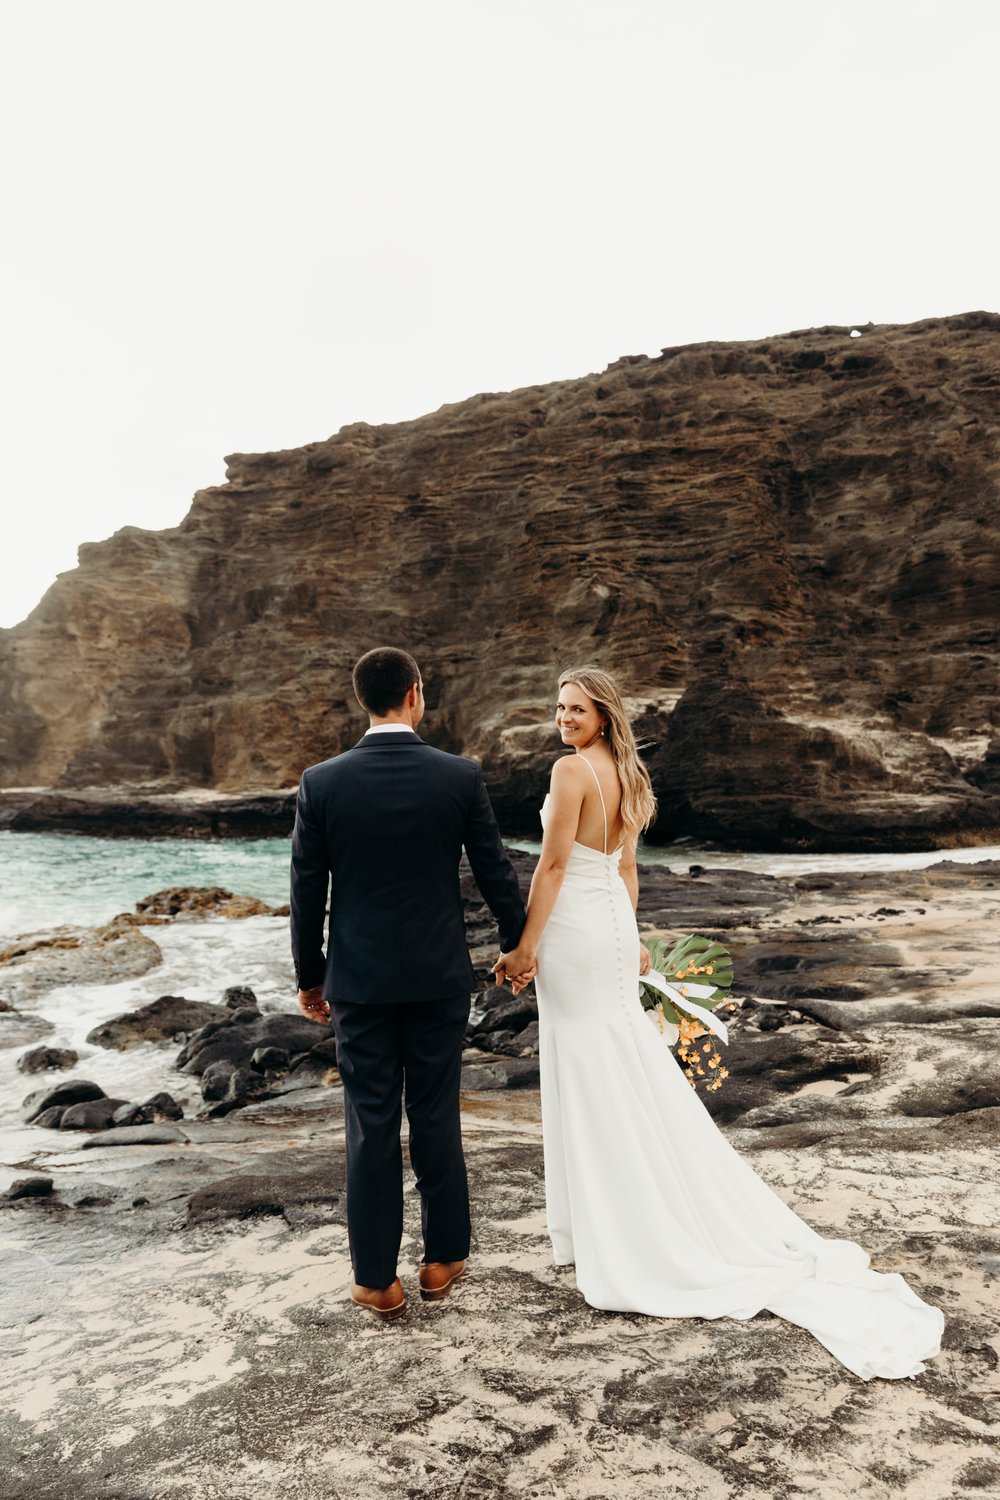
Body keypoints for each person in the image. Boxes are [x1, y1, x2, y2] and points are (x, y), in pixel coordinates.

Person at [491, 665, 944, 1380]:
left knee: (588, 1066)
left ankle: (612, 1231)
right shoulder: (629, 776)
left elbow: (549, 870)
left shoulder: (572, 771)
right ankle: (605, 1220)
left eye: (576, 708)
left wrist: (523, 946)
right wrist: (632, 934)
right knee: (617, 1060)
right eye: (558, 707)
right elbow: (625, 871)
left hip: (577, 930)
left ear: (603, 715)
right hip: (608, 925)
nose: (562, 718)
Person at [290, 647, 530, 1319]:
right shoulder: (458, 776)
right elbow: (494, 871)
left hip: (360, 982)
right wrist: (518, 944)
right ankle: (443, 1259)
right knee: (434, 1112)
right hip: (437, 977)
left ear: (363, 701)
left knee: (369, 1123)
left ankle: (375, 1280)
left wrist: (311, 976)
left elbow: (308, 891)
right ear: (416, 696)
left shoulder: (322, 782)